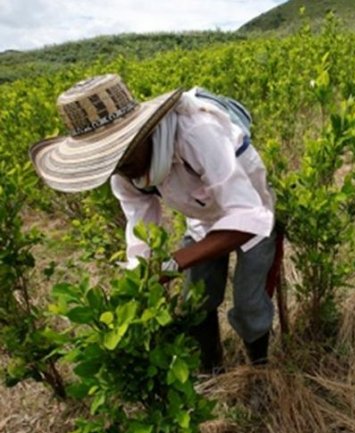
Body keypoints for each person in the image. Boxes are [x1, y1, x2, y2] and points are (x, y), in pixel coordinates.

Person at [29, 74, 276, 372]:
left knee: (250, 304)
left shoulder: (196, 132)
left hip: (252, 209)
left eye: (122, 152)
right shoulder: (123, 172)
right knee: (195, 304)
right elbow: (140, 230)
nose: (120, 167)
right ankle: (212, 372)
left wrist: (171, 265)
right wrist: (141, 279)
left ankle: (260, 369)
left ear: (144, 132)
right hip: (202, 218)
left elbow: (248, 217)